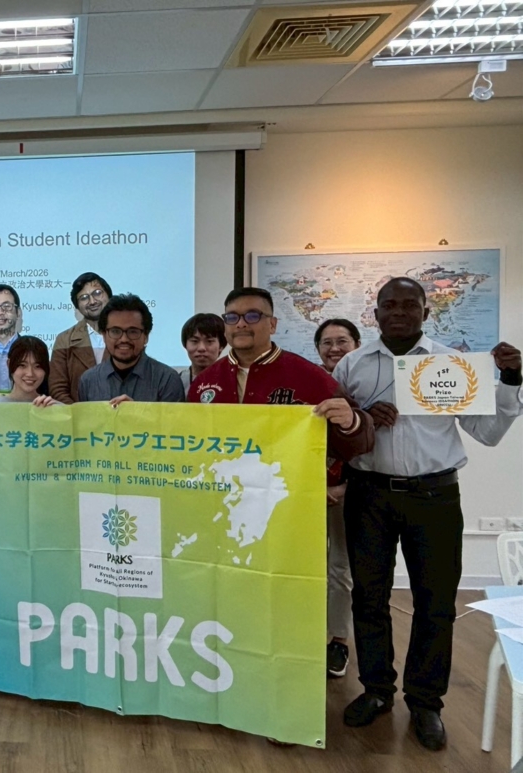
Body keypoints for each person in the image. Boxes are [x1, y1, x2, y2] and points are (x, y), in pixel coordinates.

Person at [334, 277, 522, 752]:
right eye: (389, 305)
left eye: (409, 304)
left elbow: (487, 432)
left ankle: (425, 702)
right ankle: (377, 690)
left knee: (435, 603)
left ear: (426, 311)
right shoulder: (352, 365)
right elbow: (335, 431)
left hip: (434, 497)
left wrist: (511, 381)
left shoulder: (452, 364)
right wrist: (363, 418)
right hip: (369, 495)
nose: (398, 312)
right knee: (368, 598)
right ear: (375, 313)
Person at [189, 288, 372, 452]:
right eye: (232, 317)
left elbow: (359, 443)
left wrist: (351, 422)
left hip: (288, 478)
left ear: (272, 325)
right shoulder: (204, 381)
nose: (241, 324)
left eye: (252, 316)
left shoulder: (309, 375)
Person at [313, 318, 362, 680]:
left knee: (340, 568)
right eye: (326, 342)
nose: (334, 348)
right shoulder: (310, 383)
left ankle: (339, 641)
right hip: (306, 492)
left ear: (357, 344)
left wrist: (345, 487)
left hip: (349, 491)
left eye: (342, 341)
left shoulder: (366, 385)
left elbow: (373, 443)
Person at [77, 293, 185, 404]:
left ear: (146, 336)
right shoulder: (89, 380)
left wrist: (135, 412)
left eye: (133, 332)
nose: (124, 339)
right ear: (104, 335)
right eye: (115, 331)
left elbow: (173, 417)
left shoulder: (167, 379)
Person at [49, 273, 113, 403]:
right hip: (78, 414)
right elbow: (57, 389)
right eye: (84, 298)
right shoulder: (65, 340)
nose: (92, 301)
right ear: (77, 306)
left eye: (97, 293)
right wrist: (78, 413)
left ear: (109, 296)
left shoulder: (126, 335)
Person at [177, 313, 226, 396]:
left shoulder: (231, 380)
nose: (201, 348)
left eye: (209, 341)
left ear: (221, 346)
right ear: (185, 344)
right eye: (194, 341)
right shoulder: (177, 381)